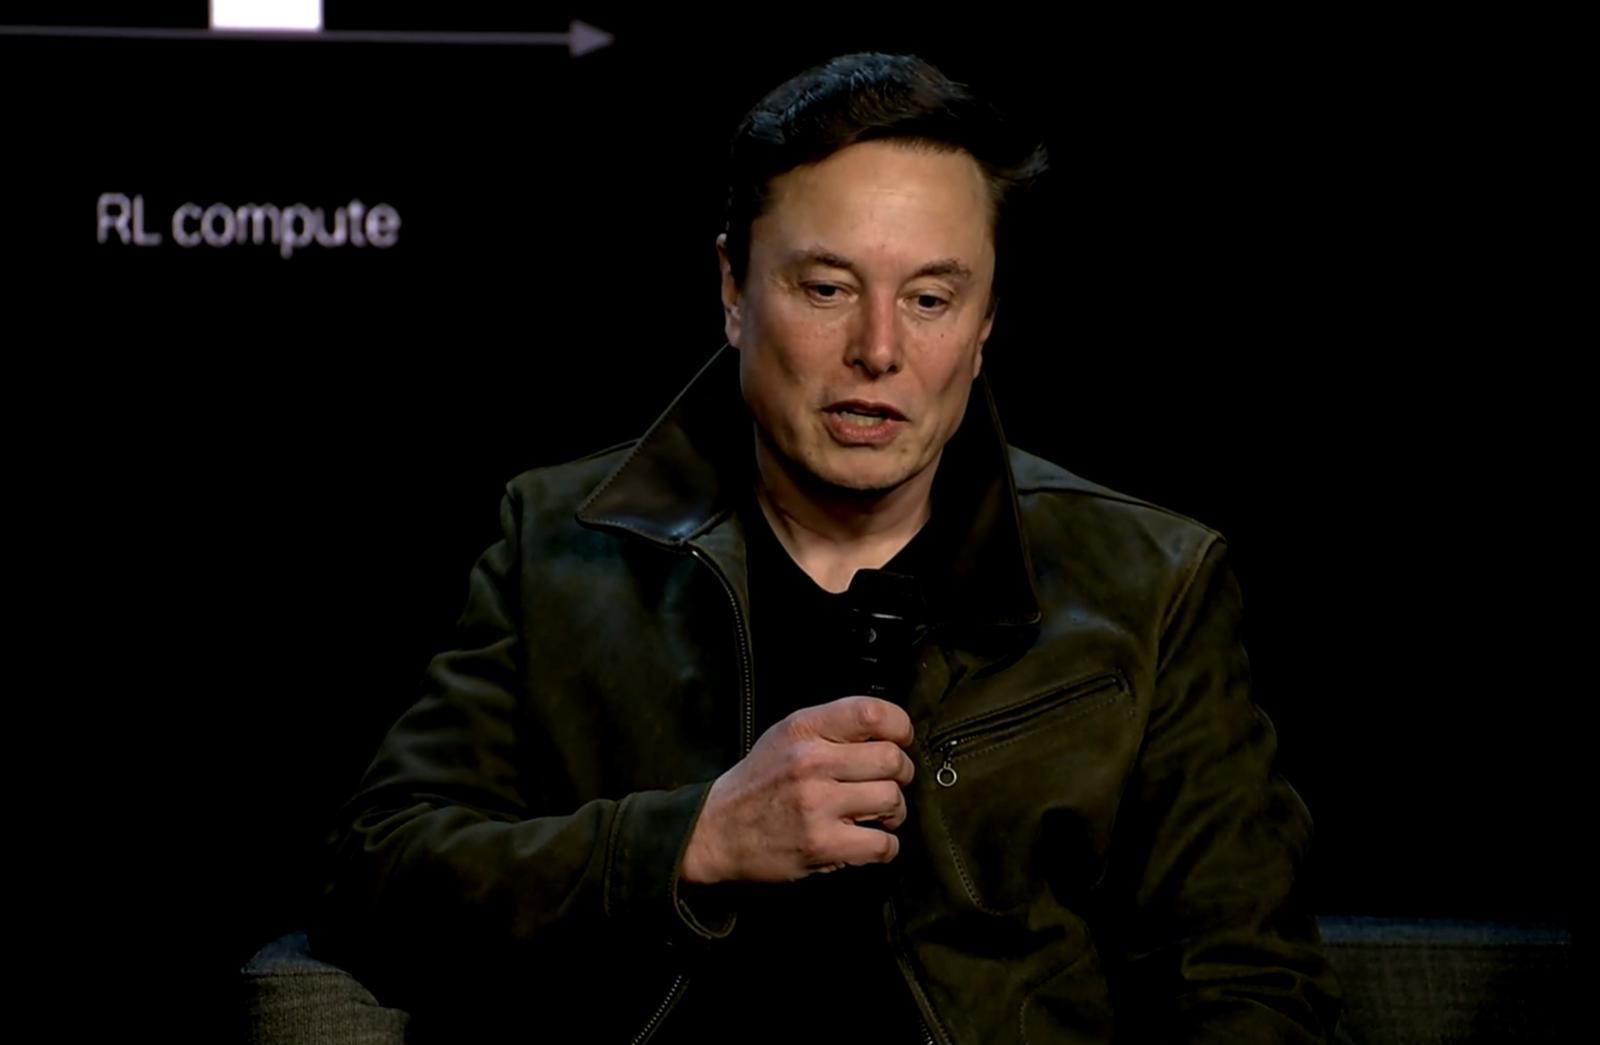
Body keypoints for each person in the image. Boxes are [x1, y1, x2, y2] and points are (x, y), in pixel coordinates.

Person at [314, 51, 1343, 1044]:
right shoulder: (559, 541)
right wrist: (698, 838)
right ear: (733, 287)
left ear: (985, 322)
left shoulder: (1153, 583)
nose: (879, 350)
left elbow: (1247, 981)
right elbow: (371, 876)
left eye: (930, 299)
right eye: (826, 288)